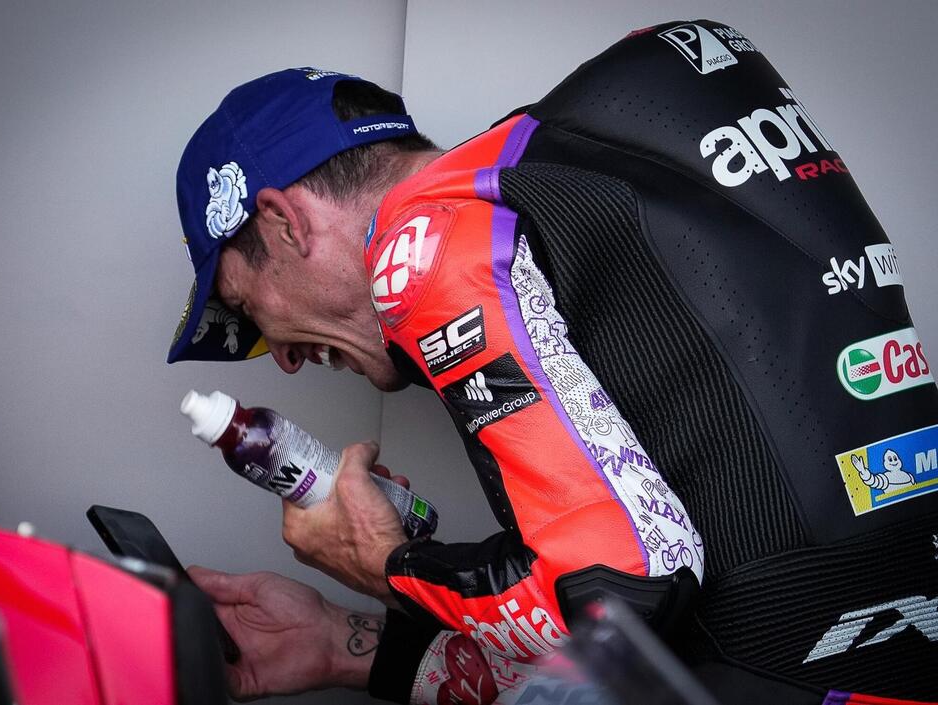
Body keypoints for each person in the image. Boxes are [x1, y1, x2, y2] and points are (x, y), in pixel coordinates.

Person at [167, 20, 938, 705]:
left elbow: (618, 593)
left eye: (245, 306)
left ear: (285, 222)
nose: (282, 358)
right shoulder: (569, 177)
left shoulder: (422, 240)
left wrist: (381, 560)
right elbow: (643, 636)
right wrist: (345, 644)